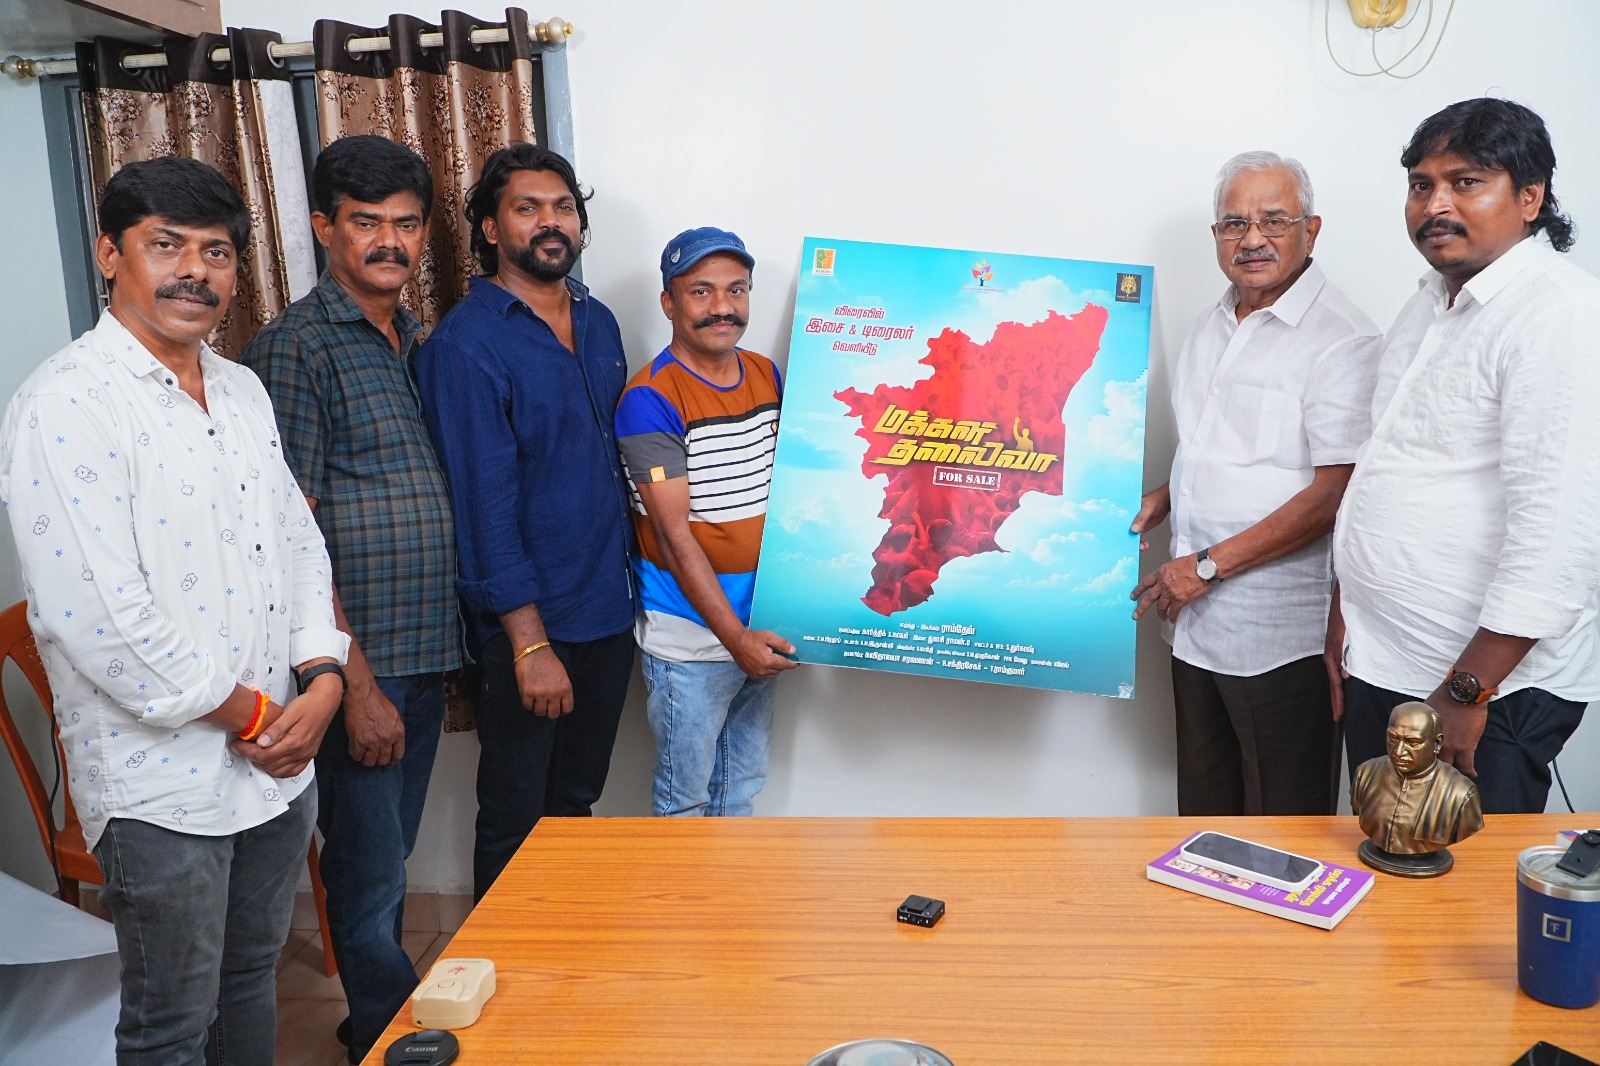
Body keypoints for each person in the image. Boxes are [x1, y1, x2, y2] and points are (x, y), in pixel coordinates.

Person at [0, 156, 349, 1065]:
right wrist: (263, 717)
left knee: (250, 978)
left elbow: (296, 540)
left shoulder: (240, 389)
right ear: (110, 254)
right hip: (161, 781)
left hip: (277, 761)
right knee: (171, 1023)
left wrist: (323, 677)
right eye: (167, 245)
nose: (196, 270)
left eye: (217, 252)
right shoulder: (65, 403)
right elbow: (99, 620)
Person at [238, 134, 463, 1065]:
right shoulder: (295, 348)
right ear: (324, 227)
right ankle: (382, 1034)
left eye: (405, 224)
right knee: (370, 870)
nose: (389, 242)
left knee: (389, 852)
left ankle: (369, 1015)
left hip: (423, 647)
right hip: (359, 661)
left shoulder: (416, 339)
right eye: (366, 222)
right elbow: (291, 531)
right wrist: (353, 684)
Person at [1329, 98, 1600, 814]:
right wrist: (1348, 615)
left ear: (1531, 197)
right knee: (1384, 857)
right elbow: (1387, 467)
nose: (1435, 204)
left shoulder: (1560, 316)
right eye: (1421, 184)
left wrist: (1466, 689)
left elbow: (1559, 533)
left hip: (1482, 692)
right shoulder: (1429, 303)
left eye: (1466, 182)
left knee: (1466, 879)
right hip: (1388, 658)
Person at [1130, 151, 1381, 816]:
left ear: (1311, 230)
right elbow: (1220, 449)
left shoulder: (1343, 339)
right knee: (1205, 815)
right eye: (1234, 224)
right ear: (1216, 235)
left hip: (1279, 638)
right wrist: (1167, 493)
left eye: (1274, 221)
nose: (1252, 239)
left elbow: (1334, 494)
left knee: (1284, 830)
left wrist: (1206, 568)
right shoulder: (1210, 324)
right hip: (1193, 623)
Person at [414, 143, 634, 899]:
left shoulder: (599, 322)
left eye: (563, 207)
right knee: (516, 814)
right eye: (527, 208)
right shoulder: (464, 346)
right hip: (532, 628)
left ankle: (565, 951)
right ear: (489, 228)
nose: (551, 222)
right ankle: (504, 965)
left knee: (576, 801)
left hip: (607, 612)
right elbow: (482, 509)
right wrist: (530, 645)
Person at [614, 228, 796, 817]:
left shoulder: (767, 375)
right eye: (701, 291)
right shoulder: (651, 398)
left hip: (760, 632)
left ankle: (728, 889)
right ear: (669, 303)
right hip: (692, 645)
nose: (723, 306)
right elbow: (674, 538)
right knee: (685, 804)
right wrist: (734, 640)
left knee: (740, 791)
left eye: (736, 289)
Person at [1350, 703, 1483, 857]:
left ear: (1437, 743)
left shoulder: (1461, 793)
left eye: (1412, 742)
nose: (1398, 751)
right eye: (1393, 738)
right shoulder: (1365, 774)